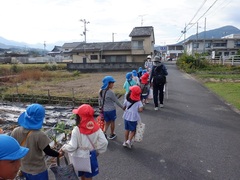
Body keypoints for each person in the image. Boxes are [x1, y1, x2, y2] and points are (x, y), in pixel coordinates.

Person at [11, 103, 64, 180]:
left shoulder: (16, 131)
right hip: (38, 171)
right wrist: (58, 154)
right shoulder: (39, 135)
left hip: (24, 168)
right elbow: (48, 151)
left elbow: (13, 148)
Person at [60, 104, 108, 180]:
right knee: (89, 176)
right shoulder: (96, 128)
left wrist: (63, 148)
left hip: (79, 156)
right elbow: (104, 142)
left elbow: (72, 146)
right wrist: (97, 151)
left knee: (82, 174)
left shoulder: (77, 129)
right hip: (90, 155)